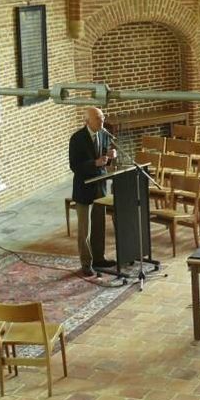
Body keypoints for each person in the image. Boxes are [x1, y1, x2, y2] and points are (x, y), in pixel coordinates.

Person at [68, 106, 117, 276]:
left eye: (102, 117)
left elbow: (105, 162)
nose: (102, 121)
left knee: (99, 225)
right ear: (87, 121)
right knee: (85, 230)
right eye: (98, 118)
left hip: (100, 186)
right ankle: (86, 263)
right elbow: (74, 166)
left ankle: (99, 258)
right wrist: (94, 163)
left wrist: (111, 158)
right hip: (84, 188)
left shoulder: (104, 134)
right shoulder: (77, 138)